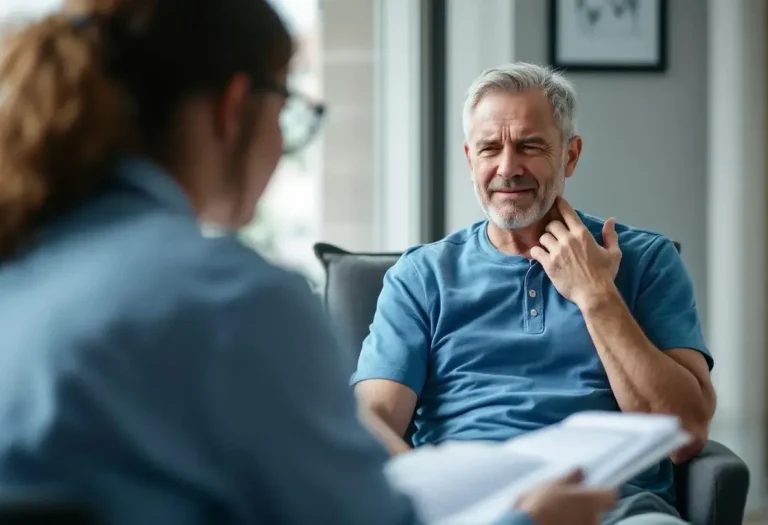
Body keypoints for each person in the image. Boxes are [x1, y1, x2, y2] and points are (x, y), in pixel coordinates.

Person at [0, 3, 617, 525]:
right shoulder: (233, 299)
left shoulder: (22, 257)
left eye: (530, 145)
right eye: (290, 105)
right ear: (236, 107)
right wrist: (528, 518)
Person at [353, 62, 717, 525]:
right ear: (470, 159)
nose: (508, 168)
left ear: (569, 155)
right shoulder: (422, 275)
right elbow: (372, 418)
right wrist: (426, 501)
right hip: (473, 511)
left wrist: (595, 293)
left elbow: (686, 432)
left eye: (529, 146)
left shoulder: (647, 261)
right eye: (489, 148)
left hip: (615, 511)